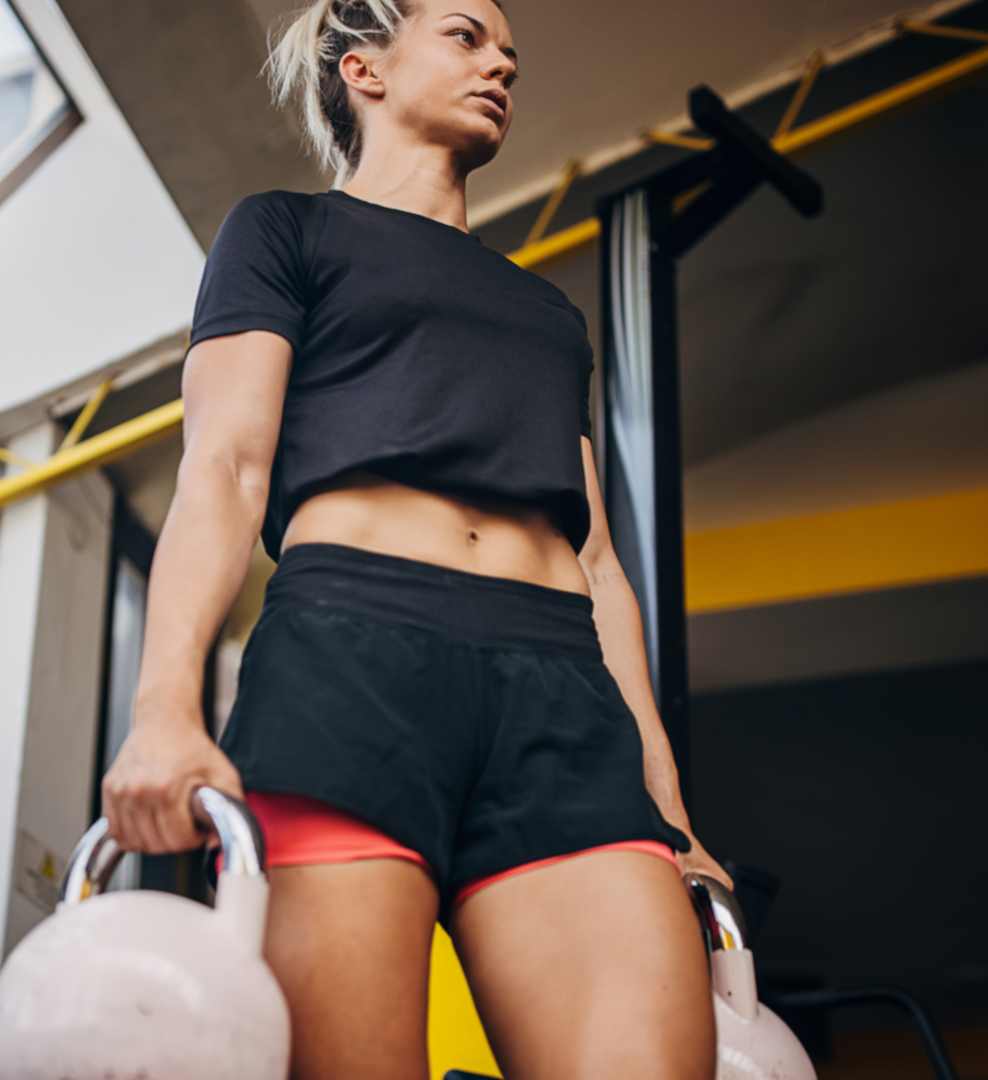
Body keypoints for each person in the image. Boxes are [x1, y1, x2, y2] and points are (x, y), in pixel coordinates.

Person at [101, 0, 726, 1076]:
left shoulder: (546, 314)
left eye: (510, 57)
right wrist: (164, 709)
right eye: (467, 36)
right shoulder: (284, 231)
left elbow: (595, 563)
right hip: (351, 663)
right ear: (365, 69)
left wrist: (669, 809)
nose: (502, 66)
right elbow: (225, 469)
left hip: (559, 692)